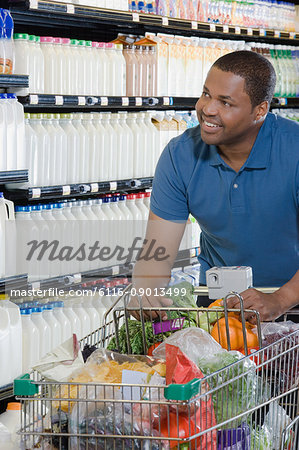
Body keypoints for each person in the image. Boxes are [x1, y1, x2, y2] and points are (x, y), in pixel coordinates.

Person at [132, 50, 299, 323]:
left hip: (291, 301)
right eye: (206, 94)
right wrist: (145, 292)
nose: (208, 108)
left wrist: (280, 299)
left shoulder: (294, 150)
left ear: (260, 111)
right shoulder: (180, 155)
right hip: (220, 306)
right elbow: (157, 248)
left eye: (225, 102)